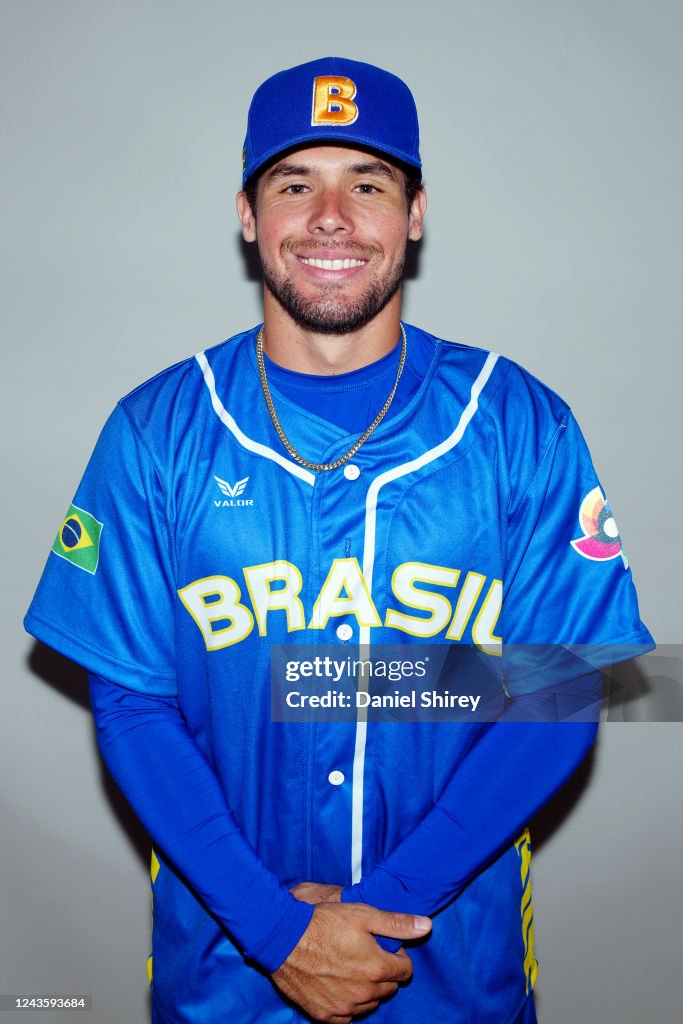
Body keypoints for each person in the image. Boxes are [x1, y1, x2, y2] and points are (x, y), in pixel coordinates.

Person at [24, 57, 653, 1024]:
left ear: (414, 212)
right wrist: (276, 933)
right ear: (247, 213)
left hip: (445, 972)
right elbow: (133, 705)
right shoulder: (156, 432)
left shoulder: (520, 425)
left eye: (366, 183)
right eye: (293, 184)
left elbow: (558, 691)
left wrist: (383, 909)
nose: (330, 217)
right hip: (229, 974)